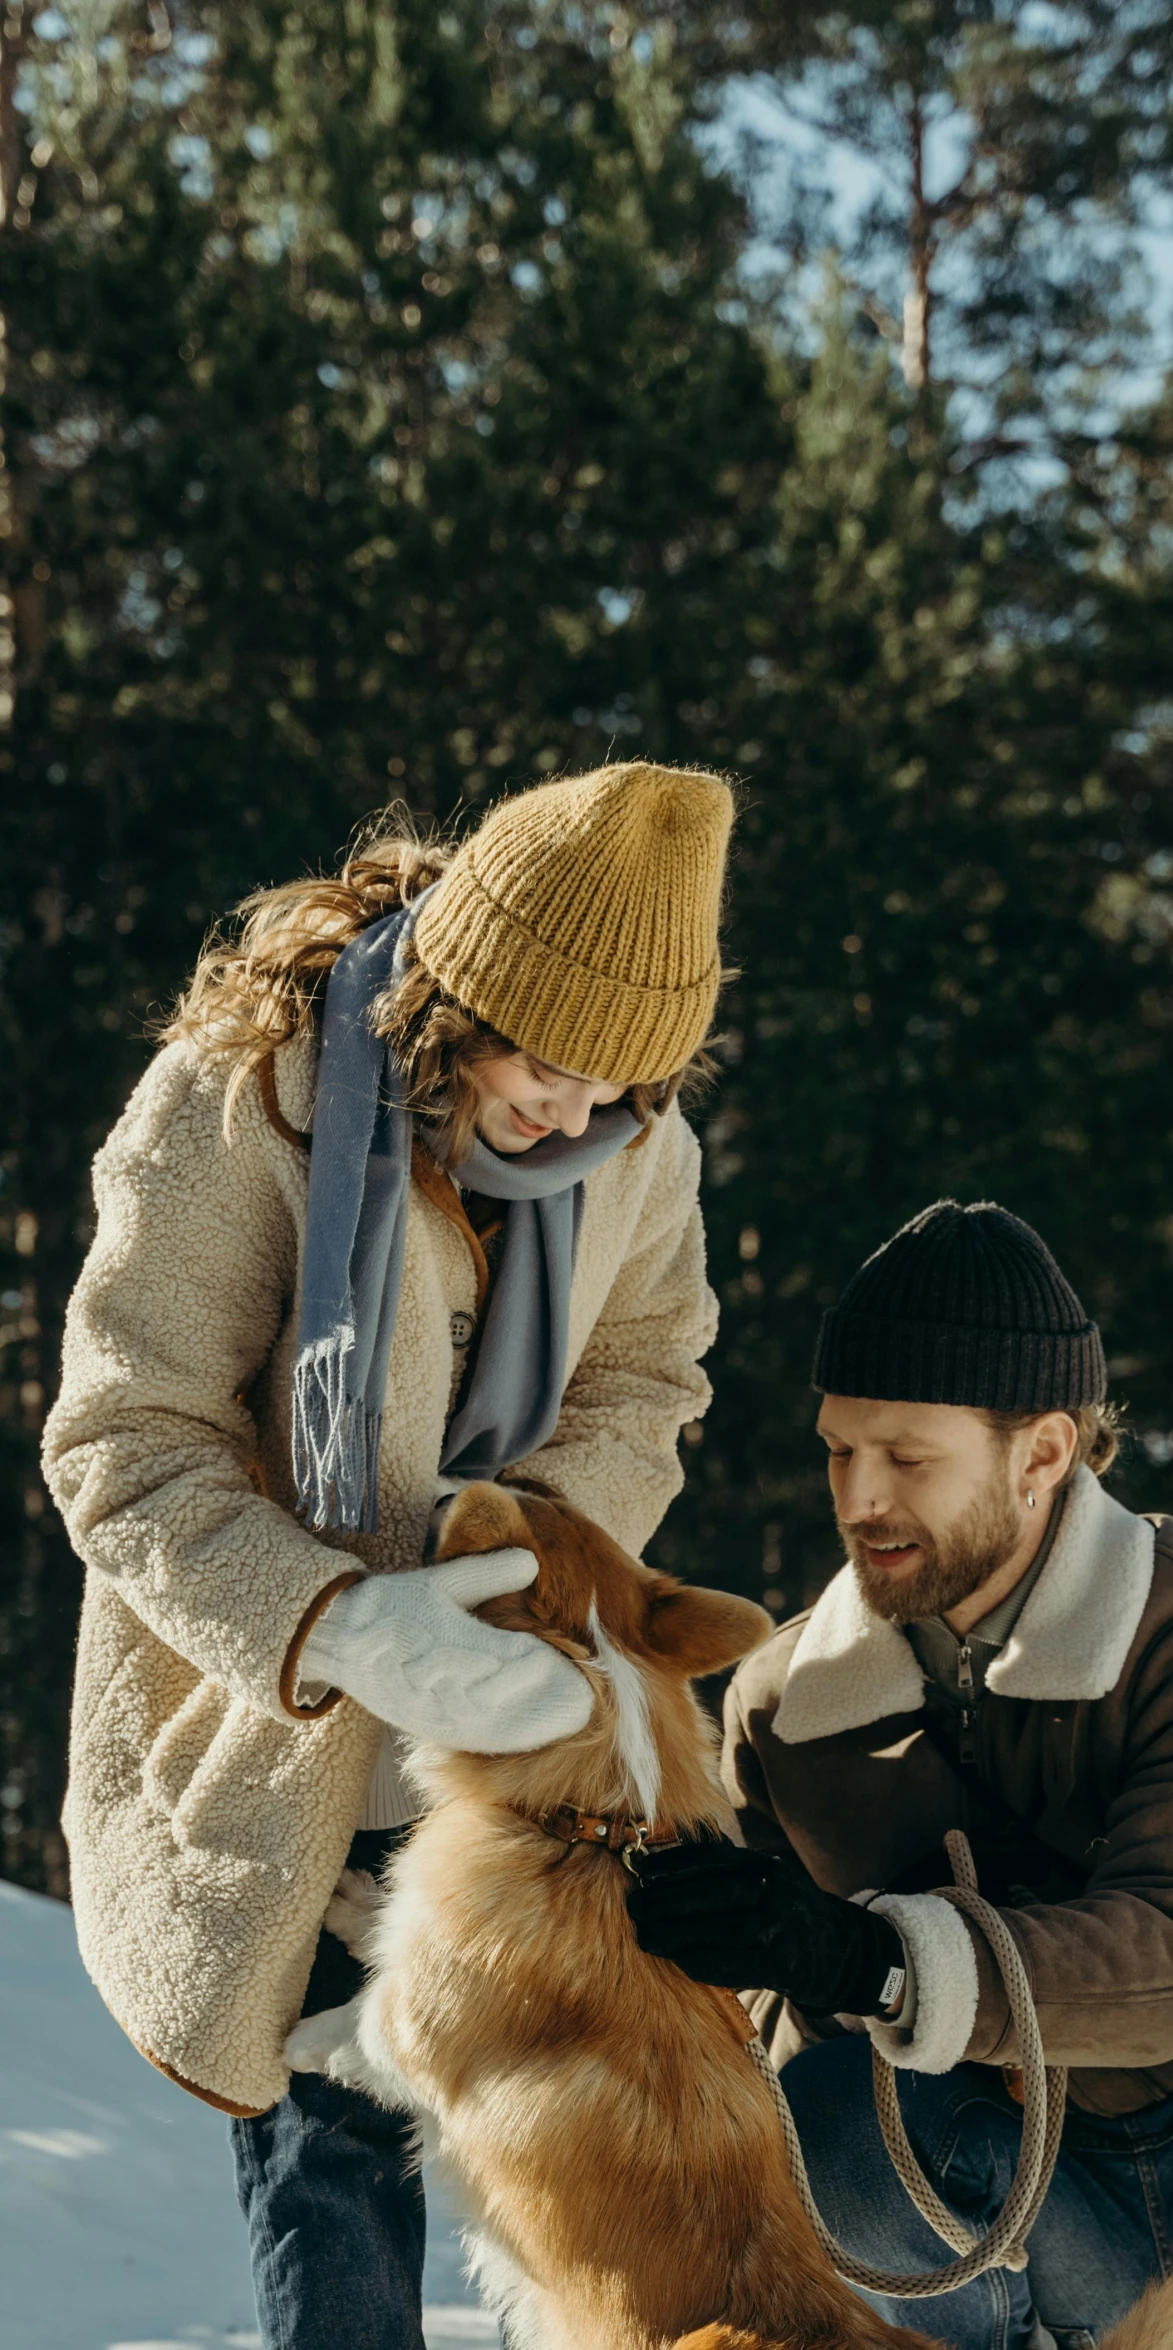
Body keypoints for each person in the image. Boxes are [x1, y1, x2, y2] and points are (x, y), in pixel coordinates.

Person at [42, 759, 733, 2350]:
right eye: (545, 1064)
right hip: (278, 1732)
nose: (573, 1114)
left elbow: (650, 1370)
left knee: (571, 2168)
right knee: (332, 2183)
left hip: (508, 1738)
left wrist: (525, 1564)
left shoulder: (640, 1148)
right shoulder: (243, 1099)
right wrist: (349, 1625)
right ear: (458, 994)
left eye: (619, 1086)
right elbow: (123, 1438)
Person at [628, 1199, 1173, 2350]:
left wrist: (881, 1955)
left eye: (907, 1458)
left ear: (1042, 1452)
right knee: (831, 2105)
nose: (858, 1498)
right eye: (840, 1450)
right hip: (1004, 2221)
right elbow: (768, 2051)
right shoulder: (780, 1704)